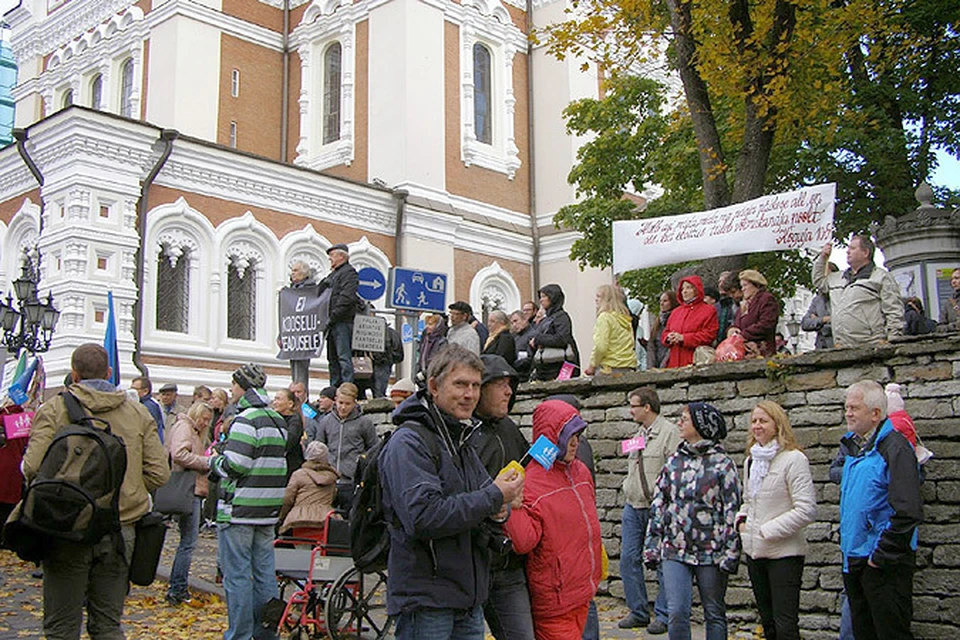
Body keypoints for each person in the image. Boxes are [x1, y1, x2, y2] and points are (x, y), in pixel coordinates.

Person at [21, 343, 169, 639]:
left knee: (61, 626)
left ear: (74, 375)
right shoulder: (137, 413)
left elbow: (32, 468)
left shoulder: (54, 408)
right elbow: (159, 473)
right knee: (107, 625)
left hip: (67, 528)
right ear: (110, 372)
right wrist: (126, 494)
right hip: (120, 529)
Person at [379, 344, 525, 640]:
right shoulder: (409, 442)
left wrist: (499, 509)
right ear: (433, 386)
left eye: (474, 385)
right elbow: (422, 517)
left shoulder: (461, 437)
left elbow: (483, 501)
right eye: (460, 384)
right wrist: (494, 497)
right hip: (426, 601)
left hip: (467, 599)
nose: (470, 394)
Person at [504, 400, 601, 639]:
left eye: (578, 434)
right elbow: (523, 542)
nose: (576, 442)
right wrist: (512, 507)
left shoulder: (580, 472)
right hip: (555, 603)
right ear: (551, 436)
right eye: (569, 435)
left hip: (583, 593)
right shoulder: (531, 481)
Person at [644, 402, 741, 640]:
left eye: (685, 419)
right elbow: (659, 504)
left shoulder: (723, 464)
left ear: (700, 425)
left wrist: (731, 551)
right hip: (675, 550)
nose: (679, 422)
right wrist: (652, 545)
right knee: (677, 611)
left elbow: (732, 510)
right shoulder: (675, 461)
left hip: (712, 552)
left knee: (714, 612)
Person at [209, 363, 288, 640]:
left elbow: (237, 465)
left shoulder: (246, 419)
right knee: (265, 575)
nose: (231, 390)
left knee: (238, 577)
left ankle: (239, 635)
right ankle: (265, 633)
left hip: (240, 510)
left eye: (233, 384)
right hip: (267, 510)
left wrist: (214, 461)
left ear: (243, 387)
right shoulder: (277, 420)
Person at [839, 380, 922, 640]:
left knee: (890, 632)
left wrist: (881, 556)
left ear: (876, 413)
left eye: (855, 408)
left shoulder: (895, 448)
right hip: (855, 558)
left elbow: (907, 509)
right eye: (846, 407)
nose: (848, 413)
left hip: (883, 564)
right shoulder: (854, 449)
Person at [736, 401, 817, 640]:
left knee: (785, 625)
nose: (757, 426)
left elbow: (806, 509)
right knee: (767, 622)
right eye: (754, 421)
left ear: (777, 424)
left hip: (784, 554)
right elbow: (748, 500)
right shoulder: (751, 461)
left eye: (763, 421)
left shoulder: (794, 459)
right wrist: (741, 521)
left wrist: (766, 530)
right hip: (755, 552)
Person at [469, 355, 534, 640]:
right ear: (480, 388)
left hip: (509, 565)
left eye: (511, 384)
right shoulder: (461, 433)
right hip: (470, 562)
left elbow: (531, 476)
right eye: (500, 384)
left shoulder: (510, 429)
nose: (508, 391)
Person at [618, 387, 681, 635]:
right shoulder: (638, 435)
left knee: (664, 561)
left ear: (647, 407)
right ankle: (638, 611)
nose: (630, 410)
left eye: (634, 405)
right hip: (633, 505)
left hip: (658, 507)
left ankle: (664, 615)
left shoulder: (669, 433)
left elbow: (674, 471)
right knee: (628, 559)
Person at [813, 236, 904, 347]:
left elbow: (894, 310)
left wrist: (893, 340)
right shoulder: (837, 278)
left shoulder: (880, 277)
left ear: (865, 252)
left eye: (852, 248)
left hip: (872, 344)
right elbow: (818, 281)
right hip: (842, 346)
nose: (847, 251)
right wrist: (823, 258)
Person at [166, 400, 214, 605]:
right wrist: (205, 462)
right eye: (203, 419)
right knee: (188, 542)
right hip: (188, 490)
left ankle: (177, 587)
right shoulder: (185, 428)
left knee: (187, 541)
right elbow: (178, 454)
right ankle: (177, 588)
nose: (205, 424)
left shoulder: (189, 429)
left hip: (190, 489)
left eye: (208, 421)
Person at [313, 382, 377, 504]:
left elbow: (373, 448)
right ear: (335, 400)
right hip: (329, 479)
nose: (343, 407)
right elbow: (319, 447)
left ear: (355, 402)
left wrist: (361, 466)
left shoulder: (364, 423)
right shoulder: (326, 421)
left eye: (348, 404)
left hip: (352, 481)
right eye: (340, 403)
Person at [278, 441, 340, 537]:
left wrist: (281, 517)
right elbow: (333, 497)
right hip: (325, 518)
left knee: (301, 548)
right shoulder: (332, 477)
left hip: (299, 519)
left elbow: (288, 499)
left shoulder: (299, 474)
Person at [318, 243, 359, 387]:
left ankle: (346, 387)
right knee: (332, 359)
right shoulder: (333, 275)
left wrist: (333, 317)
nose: (330, 259)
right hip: (333, 322)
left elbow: (346, 298)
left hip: (342, 322)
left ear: (341, 256)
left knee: (343, 358)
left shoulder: (349, 273)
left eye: (332, 256)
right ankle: (334, 388)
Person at [662, 276, 719, 368]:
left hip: (696, 362)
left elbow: (709, 335)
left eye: (688, 288)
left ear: (697, 289)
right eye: (682, 289)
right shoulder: (676, 312)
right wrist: (668, 337)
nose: (684, 291)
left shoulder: (708, 310)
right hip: (674, 363)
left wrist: (684, 338)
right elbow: (665, 332)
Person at [530, 284, 580, 381]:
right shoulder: (546, 319)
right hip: (546, 367)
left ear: (553, 297)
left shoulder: (561, 317)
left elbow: (562, 339)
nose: (541, 300)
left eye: (544, 296)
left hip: (561, 367)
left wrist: (538, 339)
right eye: (540, 297)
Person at [585, 284, 637, 376]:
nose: (596, 299)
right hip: (629, 366)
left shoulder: (604, 318)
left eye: (599, 296)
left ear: (607, 299)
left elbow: (601, 346)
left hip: (609, 367)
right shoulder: (625, 319)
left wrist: (592, 365)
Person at [728, 269, 780, 357]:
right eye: (741, 286)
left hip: (762, 351)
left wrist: (743, 335)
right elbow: (738, 324)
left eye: (745, 285)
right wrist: (732, 329)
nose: (743, 289)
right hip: (744, 352)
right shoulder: (744, 304)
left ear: (756, 285)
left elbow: (766, 324)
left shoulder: (766, 299)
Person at [285, 260, 317, 394]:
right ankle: (295, 393)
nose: (292, 273)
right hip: (292, 333)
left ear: (304, 273)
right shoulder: (291, 291)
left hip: (304, 334)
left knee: (302, 367)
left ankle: (301, 398)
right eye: (292, 270)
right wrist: (282, 334)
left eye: (296, 270)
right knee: (294, 367)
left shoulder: (310, 290)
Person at [273, 388, 305, 478]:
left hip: (291, 465)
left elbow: (289, 440)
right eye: (274, 399)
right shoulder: (273, 417)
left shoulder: (295, 420)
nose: (275, 402)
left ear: (290, 404)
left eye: (278, 399)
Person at [371, 324, 404, 398]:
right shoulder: (392, 332)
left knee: (378, 387)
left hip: (381, 360)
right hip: (386, 361)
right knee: (380, 386)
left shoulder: (377, 332)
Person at [648, 290, 677, 369]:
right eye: (661, 301)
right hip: (657, 361)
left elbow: (672, 347)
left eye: (665, 301)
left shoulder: (676, 319)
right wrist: (651, 366)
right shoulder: (657, 323)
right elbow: (651, 346)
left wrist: (663, 365)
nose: (662, 304)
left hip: (670, 363)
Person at [509, 310, 536, 382]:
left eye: (516, 321)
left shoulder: (532, 335)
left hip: (525, 376)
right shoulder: (515, 337)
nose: (514, 325)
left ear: (524, 320)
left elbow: (529, 359)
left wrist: (512, 365)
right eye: (512, 323)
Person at [716, 272, 741, 345]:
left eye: (724, 281)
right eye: (719, 281)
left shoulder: (738, 303)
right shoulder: (717, 305)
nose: (721, 284)